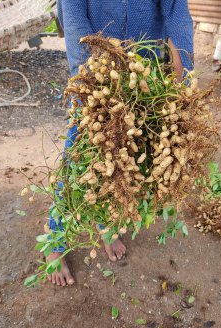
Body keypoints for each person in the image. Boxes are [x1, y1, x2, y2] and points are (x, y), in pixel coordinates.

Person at [47, 0, 194, 286]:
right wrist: (92, 72)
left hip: (144, 77)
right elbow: (74, 16)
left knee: (124, 158)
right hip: (95, 75)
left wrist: (183, 65)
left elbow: (176, 9)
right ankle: (54, 244)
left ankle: (106, 225)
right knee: (76, 159)